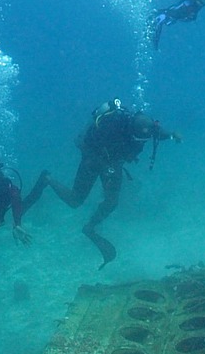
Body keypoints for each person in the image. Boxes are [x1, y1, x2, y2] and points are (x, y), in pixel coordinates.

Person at [22, 99, 182, 266]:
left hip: (114, 163)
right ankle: (47, 179)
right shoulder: (111, 126)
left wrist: (173, 135)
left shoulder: (147, 129)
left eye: (144, 140)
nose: (141, 142)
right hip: (92, 159)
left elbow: (159, 133)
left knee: (112, 202)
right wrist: (104, 165)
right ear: (131, 130)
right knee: (75, 200)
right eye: (139, 139)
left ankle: (90, 227)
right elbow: (87, 145)